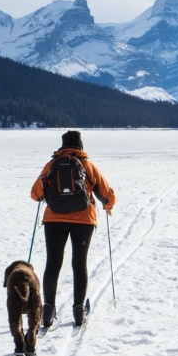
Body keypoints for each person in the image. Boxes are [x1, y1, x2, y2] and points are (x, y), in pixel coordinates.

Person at [31, 130, 116, 327]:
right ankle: (78, 311)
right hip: (84, 221)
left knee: (53, 263)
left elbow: (35, 194)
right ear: (80, 146)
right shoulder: (87, 165)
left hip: (54, 220)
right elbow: (108, 194)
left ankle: (48, 311)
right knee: (79, 264)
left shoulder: (51, 165)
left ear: (62, 146)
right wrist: (107, 206)